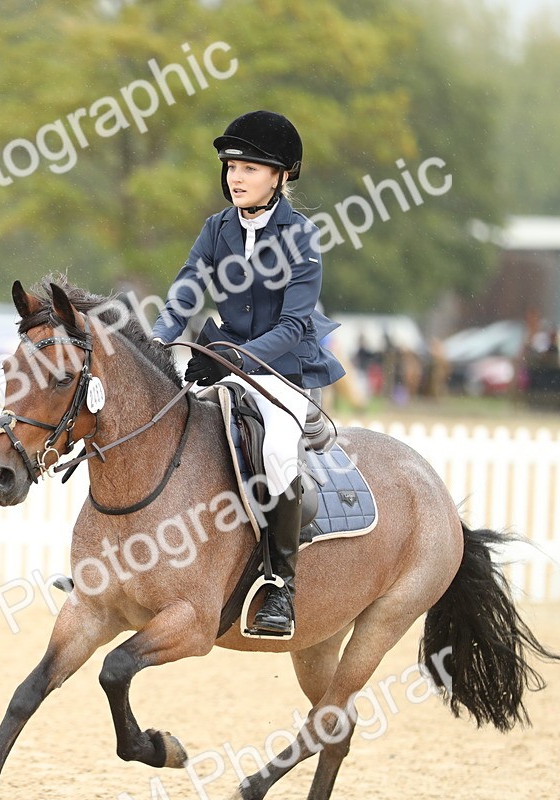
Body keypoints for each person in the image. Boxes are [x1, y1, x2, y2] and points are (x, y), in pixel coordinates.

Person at [150, 110, 345, 636]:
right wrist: (158, 338)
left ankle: (281, 587)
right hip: (224, 361)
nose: (236, 177)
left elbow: (294, 325)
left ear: (280, 176)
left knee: (276, 454)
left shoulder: (301, 237)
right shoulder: (217, 229)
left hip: (282, 371)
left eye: (250, 168)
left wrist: (240, 359)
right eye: (232, 166)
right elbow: (186, 290)